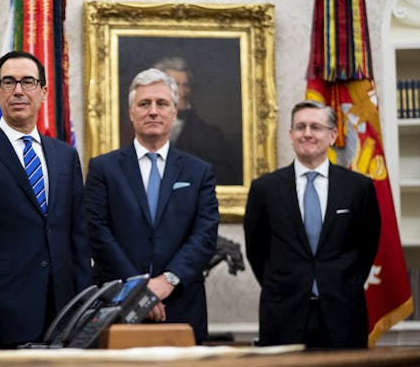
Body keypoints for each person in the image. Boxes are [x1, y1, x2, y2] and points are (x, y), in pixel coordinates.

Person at [0, 50, 91, 349]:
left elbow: (78, 238)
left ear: (43, 92)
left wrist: (85, 304)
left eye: (28, 82)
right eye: (8, 82)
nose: (18, 90)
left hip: (64, 310)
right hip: (2, 310)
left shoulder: (65, 155)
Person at [85, 68, 219, 344]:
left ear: (174, 111)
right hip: (118, 306)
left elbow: (204, 235)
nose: (153, 111)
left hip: (180, 306)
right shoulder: (103, 169)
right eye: (144, 104)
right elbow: (97, 232)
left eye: (162, 104)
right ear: (131, 112)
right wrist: (140, 290)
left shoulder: (199, 172)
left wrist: (166, 281)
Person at [244, 100, 381, 348]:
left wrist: (338, 282)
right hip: (283, 315)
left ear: (332, 135)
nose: (307, 133)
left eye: (315, 127)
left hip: (343, 314)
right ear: (291, 135)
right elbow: (256, 250)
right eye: (300, 127)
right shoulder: (264, 189)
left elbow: (367, 247)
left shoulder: (358, 188)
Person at [153, 56, 240, 184]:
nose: (182, 92)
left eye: (186, 85)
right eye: (175, 85)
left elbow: (222, 181)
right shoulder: (142, 126)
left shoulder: (212, 135)